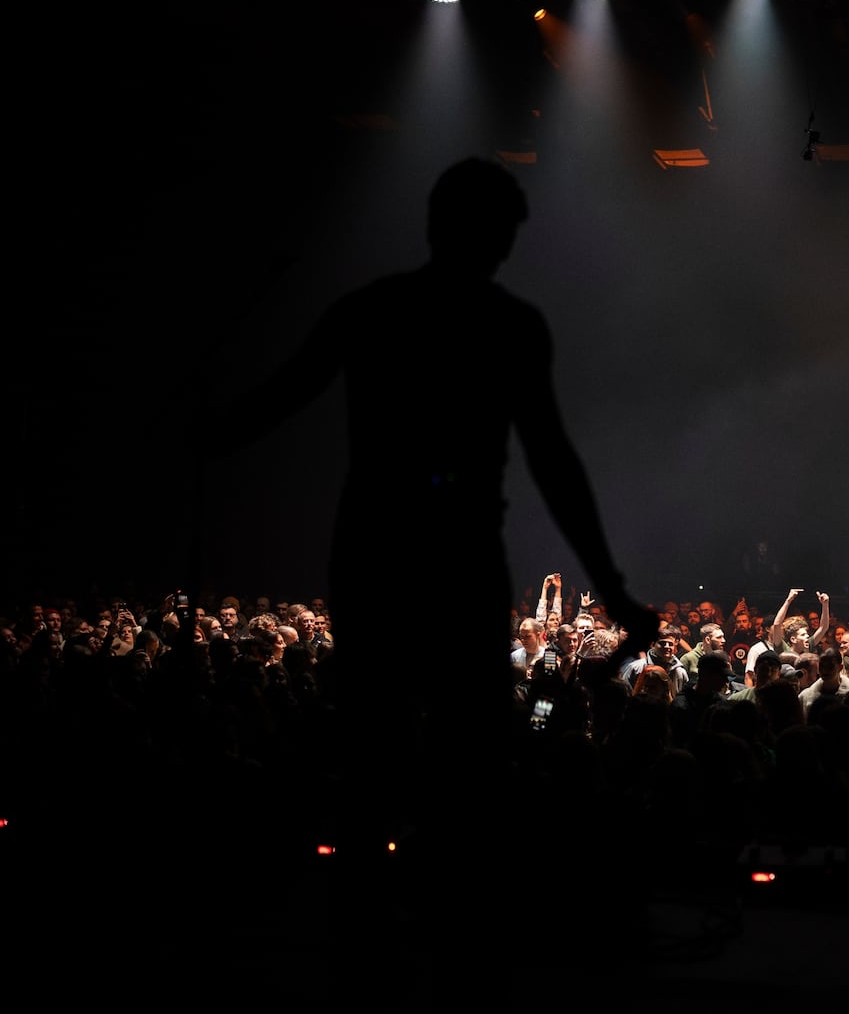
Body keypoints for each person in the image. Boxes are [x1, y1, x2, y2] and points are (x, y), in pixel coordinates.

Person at [198, 157, 656, 1007]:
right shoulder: (509, 324)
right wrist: (612, 584)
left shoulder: (371, 310)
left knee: (374, 748)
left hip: (374, 548)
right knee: (464, 758)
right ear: (486, 232)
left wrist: (206, 435)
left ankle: (364, 942)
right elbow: (553, 462)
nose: (509, 249)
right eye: (507, 233)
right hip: (456, 554)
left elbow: (274, 401)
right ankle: (454, 950)